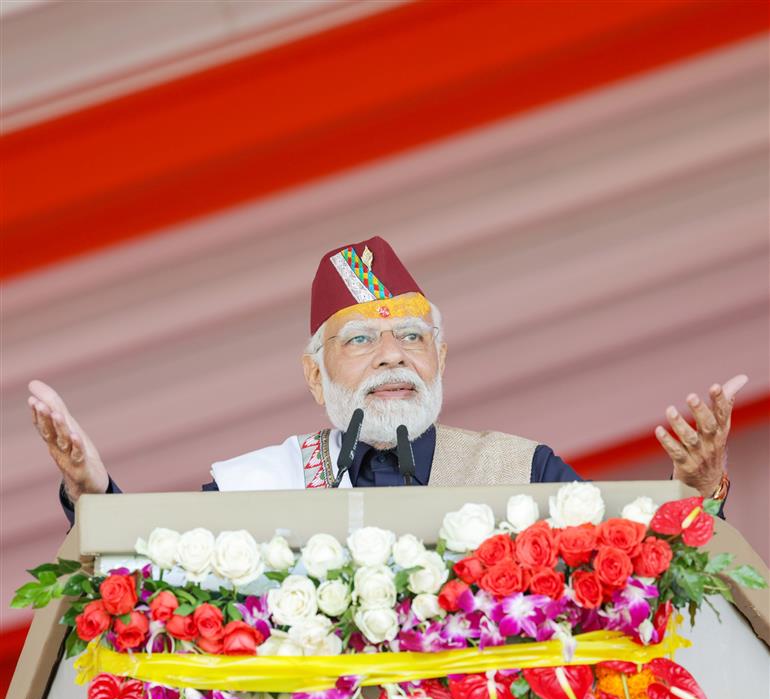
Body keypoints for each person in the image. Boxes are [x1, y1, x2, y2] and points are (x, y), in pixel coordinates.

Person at [28, 236, 742, 520]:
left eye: (411, 336)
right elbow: (156, 586)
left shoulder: (523, 468)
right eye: (362, 339)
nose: (393, 354)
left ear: (440, 358)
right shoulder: (258, 487)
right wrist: (92, 493)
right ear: (314, 375)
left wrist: (699, 489)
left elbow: (640, 579)